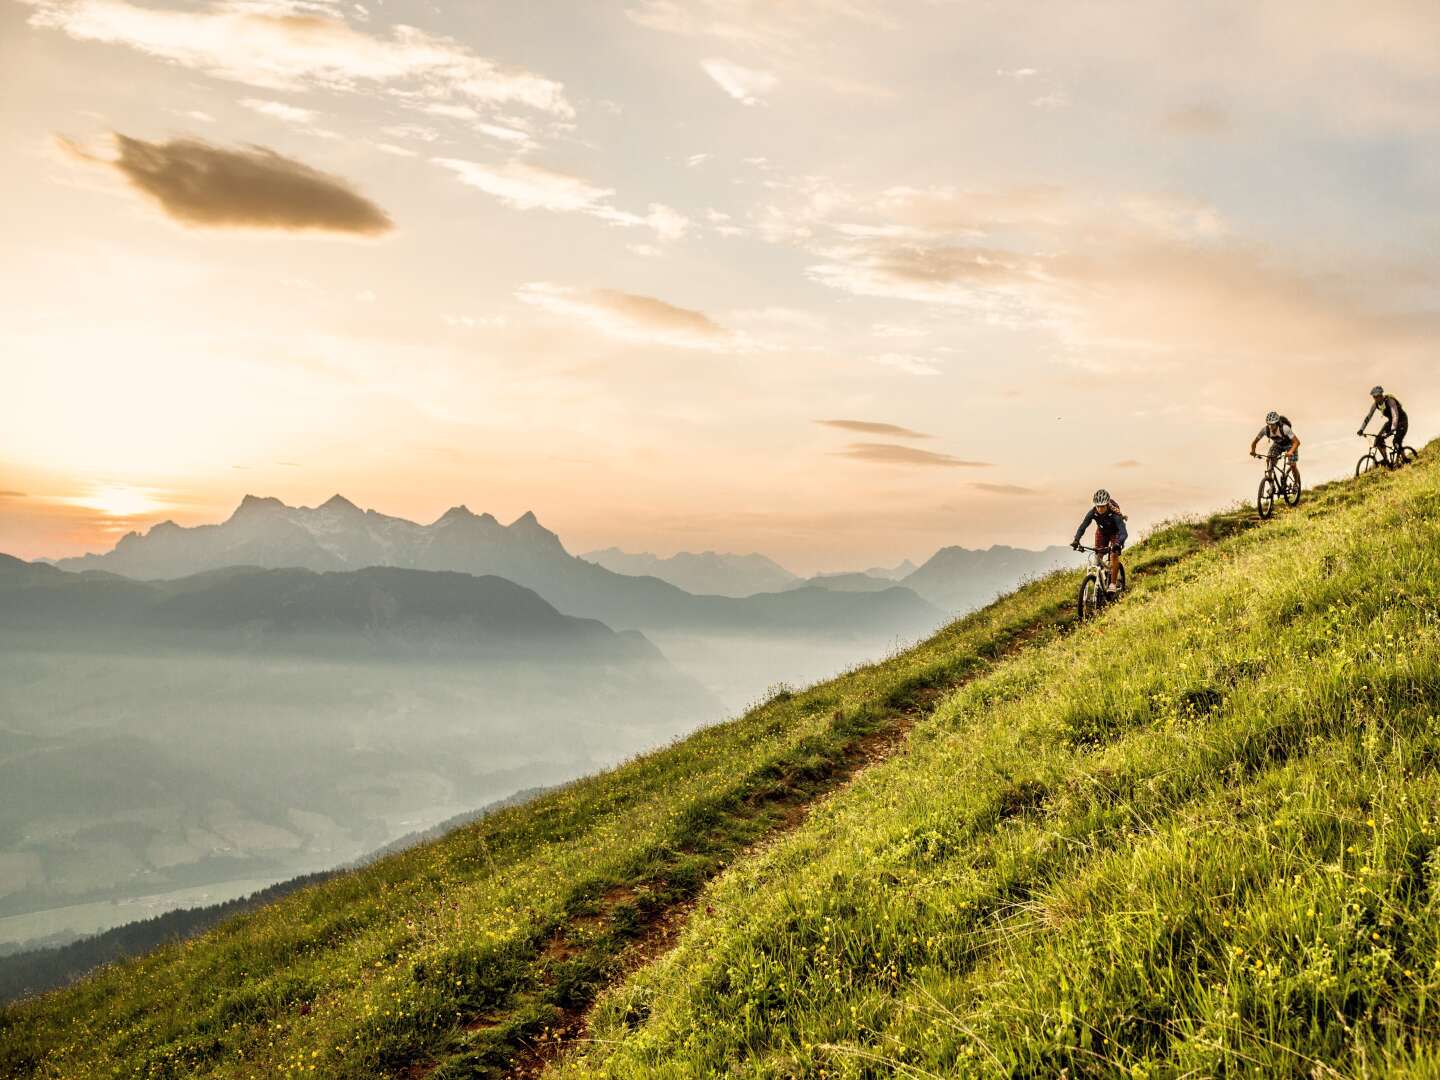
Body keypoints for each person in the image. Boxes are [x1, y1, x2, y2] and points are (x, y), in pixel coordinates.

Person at [1071, 489, 1128, 592]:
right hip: (1102, 533)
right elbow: (1083, 526)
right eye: (1098, 506)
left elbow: (1123, 532)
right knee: (1097, 557)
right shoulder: (1092, 512)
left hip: (1116, 533)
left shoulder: (1115, 514)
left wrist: (1118, 544)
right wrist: (1076, 540)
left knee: (1114, 554)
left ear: (1107, 505)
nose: (1100, 509)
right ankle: (1101, 580)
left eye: (1102, 506)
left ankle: (1113, 584)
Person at [1249, 410, 1302, 488]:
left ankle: (1296, 483)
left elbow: (1297, 442)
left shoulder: (1285, 428)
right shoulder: (1265, 430)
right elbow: (1254, 442)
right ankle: (1271, 483)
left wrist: (1290, 451)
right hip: (1278, 445)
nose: (1270, 427)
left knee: (1292, 465)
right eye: (1269, 424)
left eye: (1272, 424)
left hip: (1290, 444)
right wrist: (1253, 451)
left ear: (1277, 423)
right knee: (1269, 460)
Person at [1360, 386, 1408, 464]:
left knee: (1396, 441)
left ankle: (1405, 459)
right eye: (1374, 397)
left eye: (1376, 396)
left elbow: (1395, 414)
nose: (1375, 398)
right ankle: (1386, 460)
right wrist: (1361, 429)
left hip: (1402, 421)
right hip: (1391, 422)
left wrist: (1393, 428)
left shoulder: (1390, 401)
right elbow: (1368, 417)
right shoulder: (1375, 405)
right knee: (1378, 440)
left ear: (1381, 395)